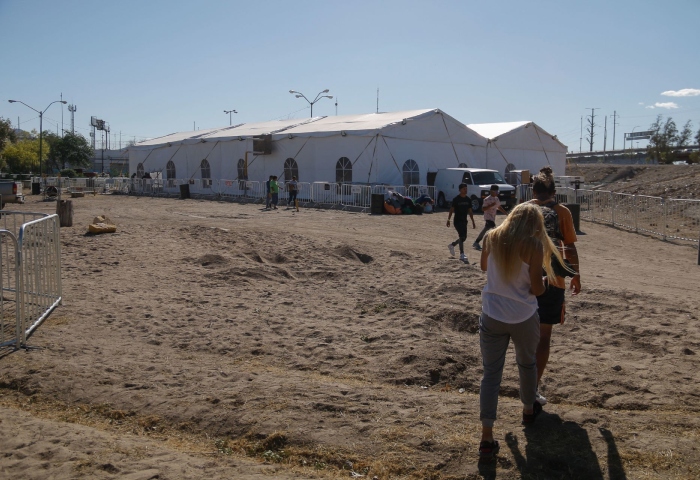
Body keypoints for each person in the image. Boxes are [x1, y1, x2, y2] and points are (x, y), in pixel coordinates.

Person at [478, 202, 565, 458]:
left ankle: (486, 435)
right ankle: (528, 410)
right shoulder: (533, 245)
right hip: (522, 315)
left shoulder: (492, 236)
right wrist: (542, 282)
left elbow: (485, 268)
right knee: (526, 365)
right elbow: (537, 290)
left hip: (492, 312)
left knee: (491, 374)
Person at [529, 166, 581, 405]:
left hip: (523, 280)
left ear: (533, 189)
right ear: (554, 191)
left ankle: (523, 382)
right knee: (544, 337)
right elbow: (569, 247)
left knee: (523, 337)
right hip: (552, 280)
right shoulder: (562, 212)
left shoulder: (523, 210)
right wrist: (576, 276)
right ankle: (532, 387)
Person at [446, 183, 476, 263]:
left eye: (466, 189)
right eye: (464, 189)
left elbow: (470, 211)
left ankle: (452, 245)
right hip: (457, 221)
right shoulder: (456, 199)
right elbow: (451, 210)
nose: (465, 190)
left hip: (464, 221)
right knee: (462, 236)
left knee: (464, 238)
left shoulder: (468, 199)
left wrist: (473, 221)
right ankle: (462, 254)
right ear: (460, 190)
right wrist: (448, 219)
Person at [473, 185, 507, 250]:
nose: (497, 193)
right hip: (488, 217)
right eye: (495, 191)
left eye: (497, 191)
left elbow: (499, 207)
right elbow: (483, 209)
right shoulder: (487, 199)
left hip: (493, 217)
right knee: (494, 229)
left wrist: (506, 214)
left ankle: (477, 242)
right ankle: (494, 244)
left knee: (486, 229)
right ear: (491, 191)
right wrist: (490, 205)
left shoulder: (496, 199)